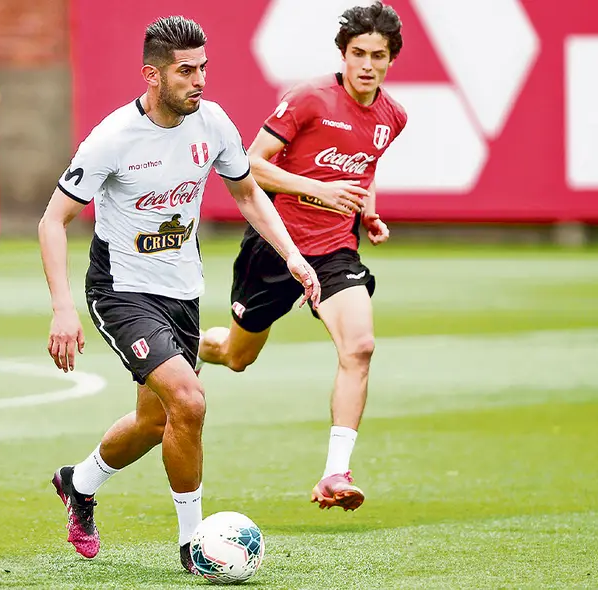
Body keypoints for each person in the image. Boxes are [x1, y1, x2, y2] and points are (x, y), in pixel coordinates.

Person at [37, 16, 320, 572]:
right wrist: (63, 308)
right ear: (152, 75)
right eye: (185, 71)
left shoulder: (212, 122)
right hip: (122, 291)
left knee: (156, 422)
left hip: (182, 292)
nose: (199, 81)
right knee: (189, 400)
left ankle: (79, 483)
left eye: (203, 68)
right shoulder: (112, 139)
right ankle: (194, 547)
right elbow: (53, 221)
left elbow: (248, 195)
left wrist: (292, 253)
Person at [197, 2, 407, 512]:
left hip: (335, 248)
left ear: (390, 60)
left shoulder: (393, 116)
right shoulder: (310, 98)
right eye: (358, 53)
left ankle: (336, 472)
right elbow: (248, 165)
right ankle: (178, 345)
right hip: (275, 246)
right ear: (343, 53)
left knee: (360, 347)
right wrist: (318, 190)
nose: (367, 64)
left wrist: (368, 212)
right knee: (236, 357)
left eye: (378, 55)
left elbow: (364, 170)